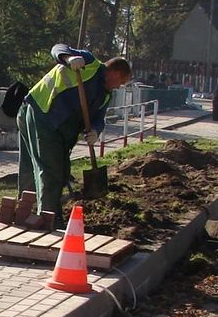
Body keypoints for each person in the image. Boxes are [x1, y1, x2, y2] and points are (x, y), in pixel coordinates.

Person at [17, 44, 132, 219]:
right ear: (115, 73)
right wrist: (68, 58)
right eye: (121, 82)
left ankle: (30, 214)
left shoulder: (106, 94)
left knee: (60, 172)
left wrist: (95, 130)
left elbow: (98, 119)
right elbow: (57, 48)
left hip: (60, 131)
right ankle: (46, 220)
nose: (119, 86)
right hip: (43, 113)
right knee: (50, 171)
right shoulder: (89, 63)